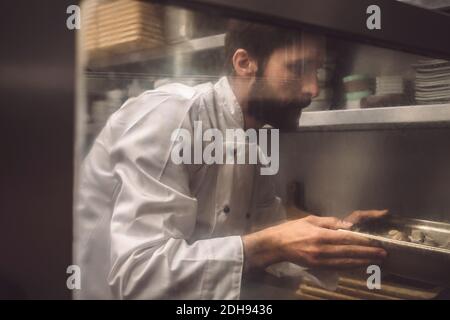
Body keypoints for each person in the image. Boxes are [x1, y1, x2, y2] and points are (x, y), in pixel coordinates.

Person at [74, 20, 387, 299]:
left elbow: (265, 238)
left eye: (316, 70)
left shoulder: (255, 136)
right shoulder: (171, 117)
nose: (313, 88)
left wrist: (340, 238)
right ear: (245, 62)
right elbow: (138, 276)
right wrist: (273, 243)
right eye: (297, 68)